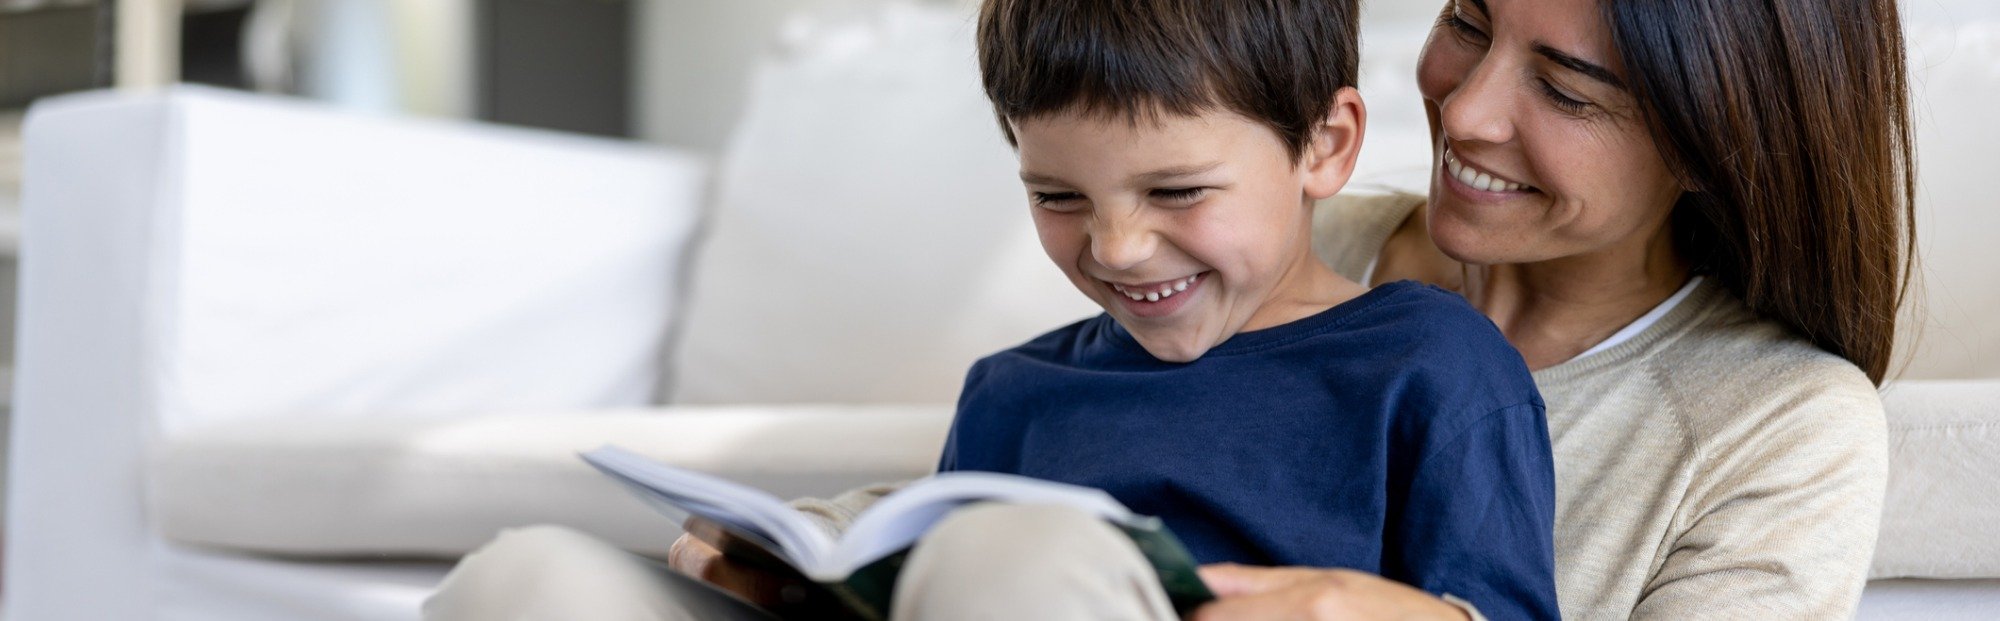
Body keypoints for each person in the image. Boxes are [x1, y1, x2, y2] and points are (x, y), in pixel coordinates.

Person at [424, 0, 1563, 619]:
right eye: (1056, 196)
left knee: (1014, 554)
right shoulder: (1015, 390)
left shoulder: (1428, 361)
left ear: (1326, 145)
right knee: (530, 576)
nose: (1115, 247)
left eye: (1176, 192)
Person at [1194, 0, 1914, 618]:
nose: (1465, 110)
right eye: (1468, 23)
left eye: (1566, 90)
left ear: (1713, 142)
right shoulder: (1267, 248)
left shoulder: (1777, 425)